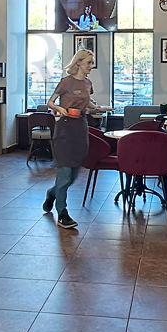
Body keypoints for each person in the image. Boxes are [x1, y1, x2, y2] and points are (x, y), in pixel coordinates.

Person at [42, 49, 105, 228]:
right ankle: (62, 213)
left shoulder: (88, 83)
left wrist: (98, 107)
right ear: (78, 63)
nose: (91, 66)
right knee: (64, 174)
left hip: (81, 129)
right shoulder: (66, 82)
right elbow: (50, 102)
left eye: (92, 63)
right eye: (89, 63)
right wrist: (60, 109)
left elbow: (88, 102)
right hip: (65, 129)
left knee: (73, 175)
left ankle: (51, 194)